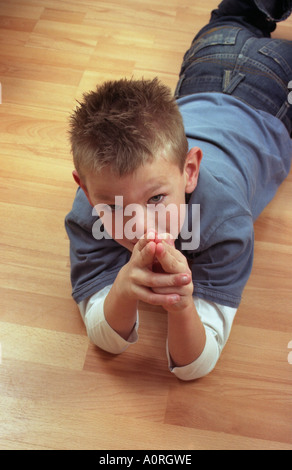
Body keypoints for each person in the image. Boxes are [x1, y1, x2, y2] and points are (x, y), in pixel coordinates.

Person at [65, 0, 292, 381]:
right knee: (233, 19)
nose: (138, 225)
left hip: (270, 97)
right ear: (85, 192)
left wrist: (182, 304)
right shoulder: (89, 215)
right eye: (114, 207)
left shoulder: (224, 222)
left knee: (239, 23)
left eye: (156, 199)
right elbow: (106, 337)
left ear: (190, 172)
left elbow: (195, 368)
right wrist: (126, 289)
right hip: (206, 66)